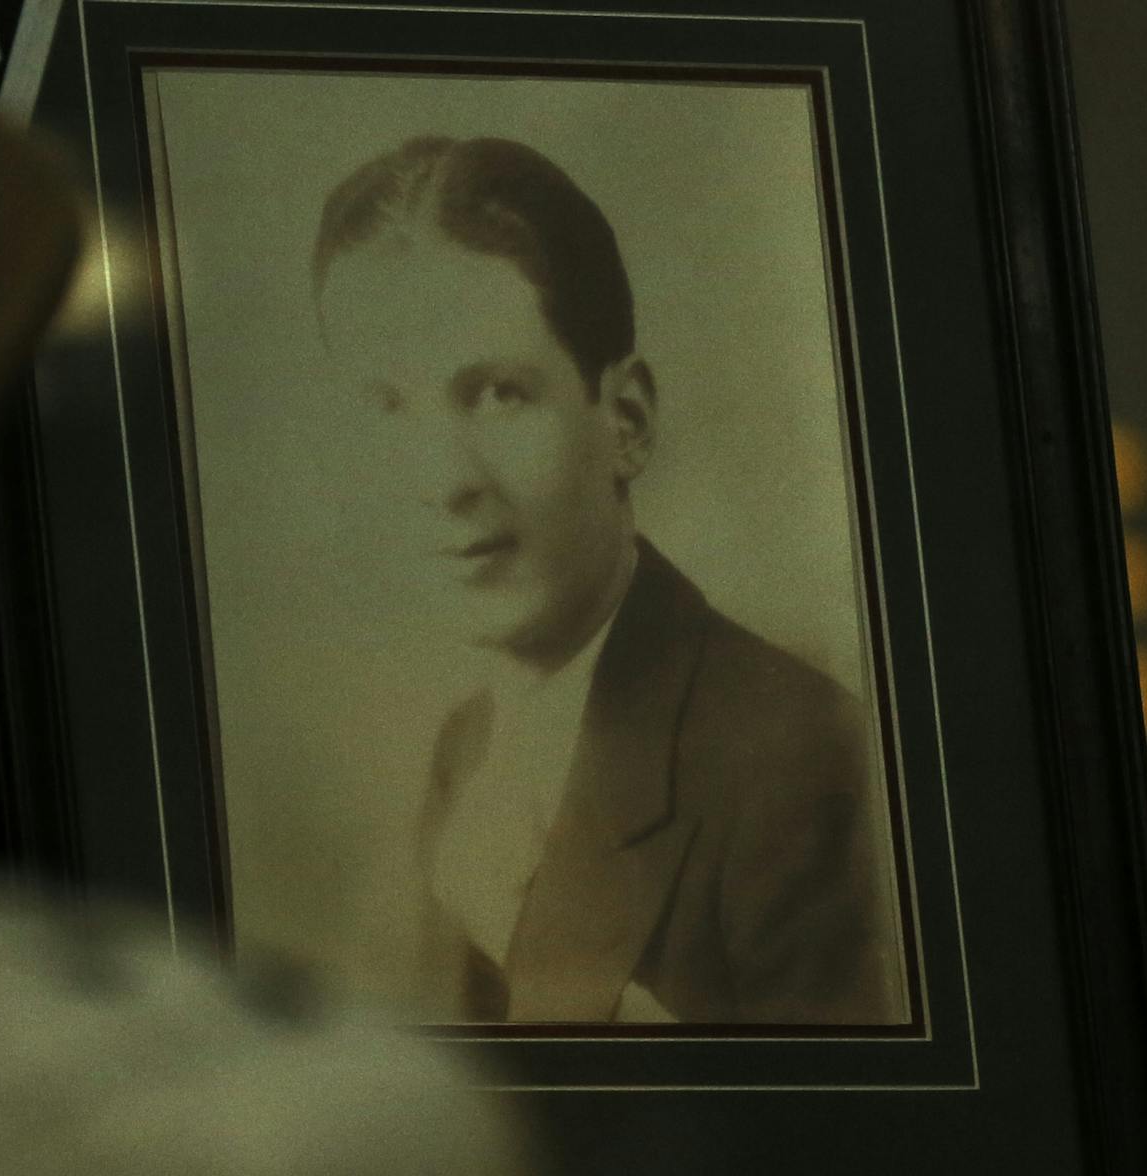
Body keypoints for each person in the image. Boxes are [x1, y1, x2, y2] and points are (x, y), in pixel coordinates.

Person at [311, 135, 905, 1025]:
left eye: (499, 392)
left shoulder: (797, 762)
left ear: (624, 420)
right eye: (387, 407)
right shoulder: (466, 751)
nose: (443, 481)